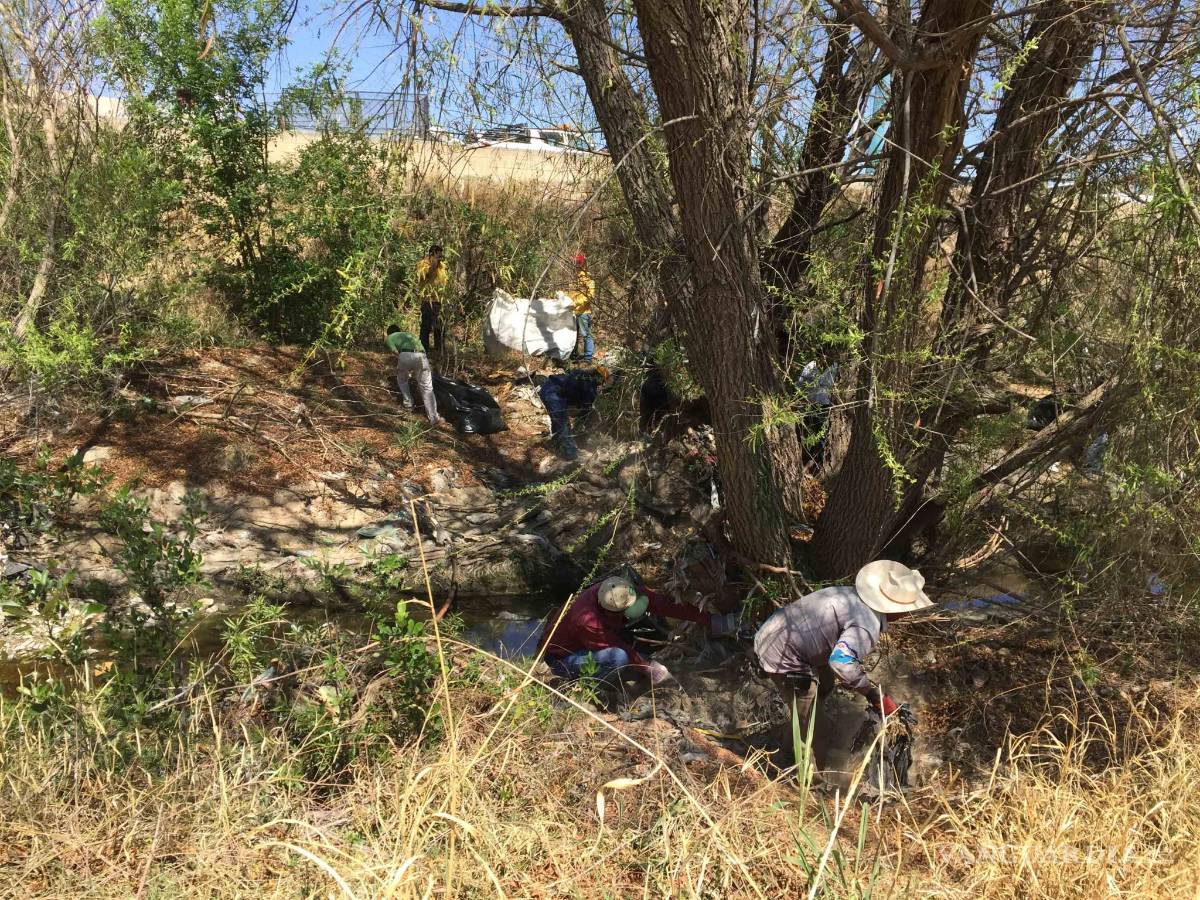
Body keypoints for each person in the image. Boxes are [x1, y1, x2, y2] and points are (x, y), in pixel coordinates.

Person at [753, 560, 932, 765]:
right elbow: (840, 663)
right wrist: (873, 695)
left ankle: (798, 724)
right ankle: (809, 776)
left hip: (775, 632)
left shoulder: (850, 594)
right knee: (820, 731)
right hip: (783, 655)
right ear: (897, 610)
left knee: (826, 684)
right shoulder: (867, 624)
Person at [538, 575, 738, 685]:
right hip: (564, 657)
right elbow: (618, 647)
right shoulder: (587, 621)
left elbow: (662, 604)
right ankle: (593, 687)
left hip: (599, 635)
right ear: (612, 612)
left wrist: (710, 620)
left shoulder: (618, 589)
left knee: (632, 648)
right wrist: (649, 667)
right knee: (617, 658)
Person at [538, 366, 610, 460]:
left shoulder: (581, 374)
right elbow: (585, 408)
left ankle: (556, 443)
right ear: (599, 377)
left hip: (548, 388)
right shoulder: (589, 384)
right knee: (563, 423)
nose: (600, 384)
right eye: (601, 381)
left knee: (558, 420)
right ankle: (570, 455)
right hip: (553, 394)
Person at [385, 325, 439, 425]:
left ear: (389, 333)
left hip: (405, 355)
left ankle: (408, 404)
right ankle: (433, 417)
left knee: (402, 380)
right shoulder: (409, 335)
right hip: (422, 355)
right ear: (399, 330)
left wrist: (403, 362)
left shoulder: (390, 337)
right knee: (427, 387)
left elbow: (394, 351)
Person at [414, 244, 449, 354]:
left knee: (439, 325)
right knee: (426, 326)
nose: (440, 259)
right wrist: (433, 264)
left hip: (438, 300)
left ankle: (439, 349)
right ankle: (424, 349)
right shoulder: (422, 264)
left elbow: (444, 281)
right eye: (438, 256)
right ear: (432, 255)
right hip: (427, 300)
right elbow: (424, 276)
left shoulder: (441, 266)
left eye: (441, 257)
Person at [568, 252, 595, 362]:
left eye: (577, 262)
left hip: (583, 312)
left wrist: (576, 303)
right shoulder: (574, 278)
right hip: (574, 311)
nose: (576, 265)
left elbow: (589, 296)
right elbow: (571, 294)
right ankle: (574, 355)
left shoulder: (588, 279)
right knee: (573, 335)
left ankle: (588, 357)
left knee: (585, 334)